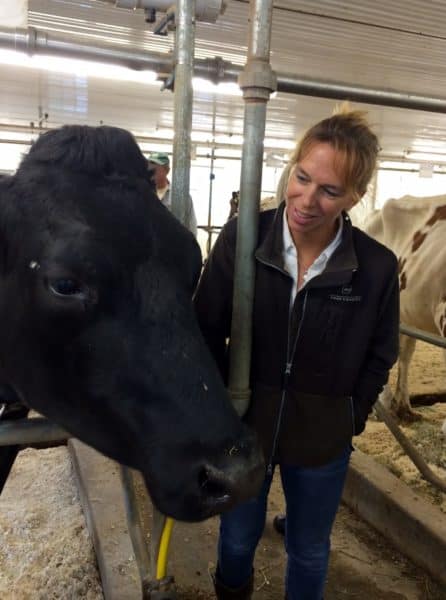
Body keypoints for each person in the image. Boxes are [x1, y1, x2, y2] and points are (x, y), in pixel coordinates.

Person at [193, 104, 399, 600]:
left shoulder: (374, 266)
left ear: (356, 196)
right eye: (301, 177)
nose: (306, 200)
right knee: (238, 536)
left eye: (329, 191)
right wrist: (221, 407)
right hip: (243, 429)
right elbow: (203, 327)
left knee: (308, 548)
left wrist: (349, 415)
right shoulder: (245, 238)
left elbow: (381, 351)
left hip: (323, 439)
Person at [147, 151, 197, 235]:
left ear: (167, 170)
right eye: (150, 168)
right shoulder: (143, 194)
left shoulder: (182, 197)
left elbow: (191, 227)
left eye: (156, 168)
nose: (151, 171)